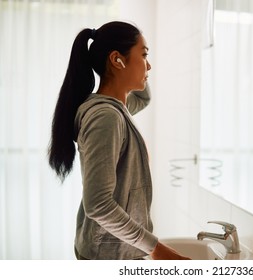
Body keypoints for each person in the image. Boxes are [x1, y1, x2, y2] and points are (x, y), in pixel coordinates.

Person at [48, 21, 190, 260]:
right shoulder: (106, 117)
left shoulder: (116, 108)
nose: (150, 65)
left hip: (113, 249)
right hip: (106, 255)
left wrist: (136, 68)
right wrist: (157, 249)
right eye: (144, 55)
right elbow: (98, 204)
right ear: (117, 60)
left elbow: (143, 99)